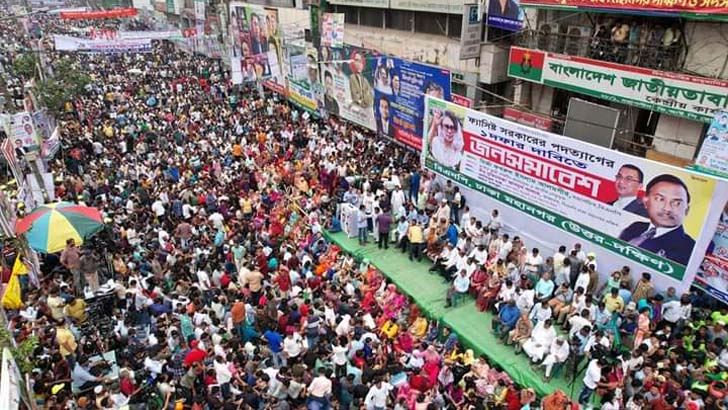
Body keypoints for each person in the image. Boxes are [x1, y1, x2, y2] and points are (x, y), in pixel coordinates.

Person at [618, 174, 695, 265]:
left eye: (677, 203)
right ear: (646, 202)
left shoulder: (690, 249)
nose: (667, 208)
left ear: (686, 210)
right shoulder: (636, 226)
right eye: (660, 199)